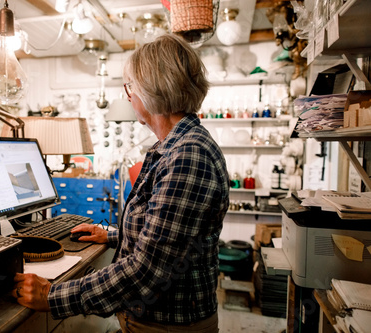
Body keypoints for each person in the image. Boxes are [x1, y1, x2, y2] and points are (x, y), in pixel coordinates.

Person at [13, 33, 230, 333]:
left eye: (130, 87)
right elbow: (168, 239)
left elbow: (147, 270)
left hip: (167, 324)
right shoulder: (172, 146)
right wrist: (114, 235)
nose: (128, 96)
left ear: (154, 91)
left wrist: (52, 297)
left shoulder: (187, 155)